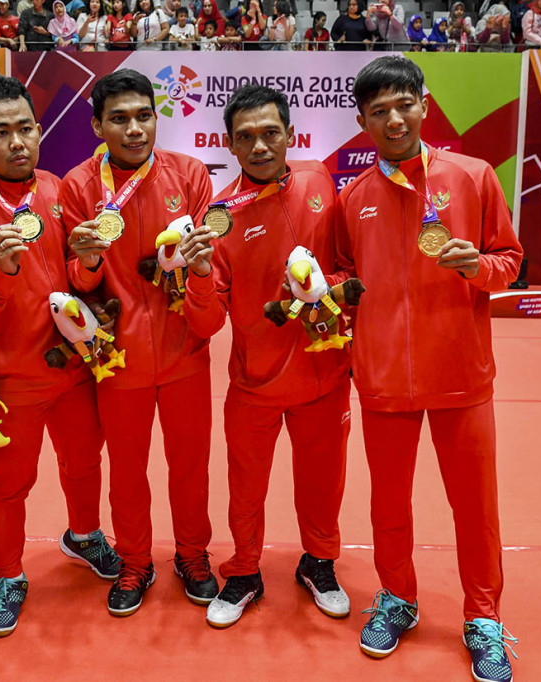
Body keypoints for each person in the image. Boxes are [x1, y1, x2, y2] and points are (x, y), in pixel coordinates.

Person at [338, 55, 522, 682]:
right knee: (389, 505)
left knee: (475, 507)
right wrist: (324, 289)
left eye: (403, 104)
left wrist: (479, 268)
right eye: (378, 111)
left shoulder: (472, 177)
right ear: (362, 120)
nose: (394, 119)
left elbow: (510, 260)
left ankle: (484, 617)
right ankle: (397, 598)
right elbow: (342, 277)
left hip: (461, 375)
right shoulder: (353, 198)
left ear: (424, 101)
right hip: (384, 379)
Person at [0, 75, 121, 637]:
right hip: (14, 380)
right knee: (6, 486)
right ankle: (7, 576)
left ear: (40, 130)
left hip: (74, 367)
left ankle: (85, 536)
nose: (17, 141)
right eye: (1, 132)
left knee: (85, 463)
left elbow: (78, 276)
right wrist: (2, 274)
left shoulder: (59, 189)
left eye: (25, 128)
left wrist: (89, 263)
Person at [180, 84, 354, 629]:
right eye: (246, 137)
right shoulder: (219, 218)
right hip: (254, 382)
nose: (259, 146)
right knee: (245, 487)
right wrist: (201, 274)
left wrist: (326, 289)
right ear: (229, 145)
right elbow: (207, 322)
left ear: (291, 135)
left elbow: (350, 264)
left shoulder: (319, 180)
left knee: (323, 481)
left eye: (270, 133)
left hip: (326, 374)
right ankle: (245, 570)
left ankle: (319, 563)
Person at [59, 69, 216, 617]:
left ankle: (193, 555)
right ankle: (134, 562)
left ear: (157, 117)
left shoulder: (191, 174)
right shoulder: (77, 185)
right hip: (116, 359)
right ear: (98, 124)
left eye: (143, 116)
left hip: (184, 352)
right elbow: (77, 287)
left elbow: (204, 268)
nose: (133, 130)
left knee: (190, 465)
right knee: (126, 473)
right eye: (119, 119)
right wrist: (86, 261)